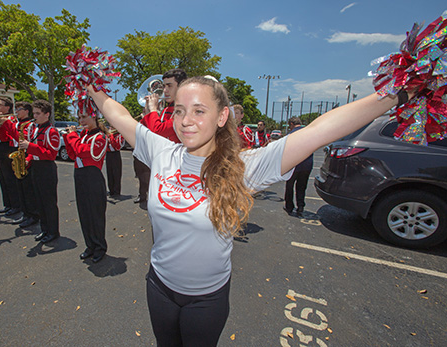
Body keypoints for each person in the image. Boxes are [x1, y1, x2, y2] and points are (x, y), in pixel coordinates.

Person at [86, 76, 411, 346]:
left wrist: (395, 93)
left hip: (206, 300)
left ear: (222, 116)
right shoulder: (160, 151)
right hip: (158, 287)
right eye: (180, 110)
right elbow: (120, 117)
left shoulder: (244, 167)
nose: (186, 121)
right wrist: (92, 86)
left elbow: (319, 131)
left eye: (199, 111)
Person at [133, 69, 187, 208]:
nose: (165, 90)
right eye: (164, 86)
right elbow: (146, 132)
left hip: (177, 168)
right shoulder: (166, 110)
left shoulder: (183, 110)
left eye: (169, 86)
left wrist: (152, 111)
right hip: (161, 165)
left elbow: (158, 132)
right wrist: (147, 113)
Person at [63, 112, 109, 263]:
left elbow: (83, 152)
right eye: (79, 118)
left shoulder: (100, 137)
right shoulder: (83, 136)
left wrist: (71, 136)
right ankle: (90, 245)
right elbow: (72, 154)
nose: (81, 121)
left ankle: (99, 247)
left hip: (93, 177)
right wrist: (67, 137)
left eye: (84, 117)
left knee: (95, 215)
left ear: (94, 117)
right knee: (84, 213)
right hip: (80, 176)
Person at [19, 100, 60, 244]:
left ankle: (53, 231)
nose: (34, 116)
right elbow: (34, 151)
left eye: (37, 113)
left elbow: (51, 154)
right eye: (34, 113)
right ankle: (45, 229)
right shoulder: (35, 129)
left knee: (49, 202)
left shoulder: (52, 131)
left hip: (47, 168)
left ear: (47, 114)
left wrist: (30, 147)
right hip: (35, 167)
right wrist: (27, 160)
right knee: (39, 201)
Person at [3, 101, 40, 228]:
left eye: (19, 109)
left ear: (26, 111)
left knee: (28, 189)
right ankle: (25, 213)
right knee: (20, 188)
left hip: (27, 155)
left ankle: (33, 214)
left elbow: (23, 139)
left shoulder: (30, 125)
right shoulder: (18, 123)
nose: (17, 111)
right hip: (17, 152)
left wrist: (27, 159)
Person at [283, 116, 313, 217]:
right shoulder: (308, 133)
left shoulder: (290, 135)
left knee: (290, 186)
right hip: (307, 165)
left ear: (291, 124)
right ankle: (300, 206)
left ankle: (289, 206)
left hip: (294, 165)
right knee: (301, 186)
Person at [105, 130, 123, 199]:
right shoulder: (108, 135)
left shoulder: (119, 135)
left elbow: (117, 146)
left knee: (116, 173)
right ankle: (111, 190)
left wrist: (111, 137)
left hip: (115, 154)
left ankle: (116, 191)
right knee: (109, 172)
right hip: (109, 154)